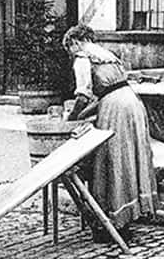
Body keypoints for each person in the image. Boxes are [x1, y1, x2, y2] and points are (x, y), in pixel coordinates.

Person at [62, 24, 156, 241]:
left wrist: (72, 117)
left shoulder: (82, 58)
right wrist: (84, 112)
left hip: (115, 110)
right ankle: (129, 214)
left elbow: (83, 95)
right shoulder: (108, 55)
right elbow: (109, 91)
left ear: (75, 42)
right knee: (130, 157)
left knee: (112, 159)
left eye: (69, 49)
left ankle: (114, 221)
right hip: (132, 103)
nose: (70, 53)